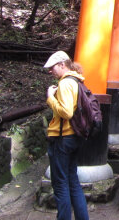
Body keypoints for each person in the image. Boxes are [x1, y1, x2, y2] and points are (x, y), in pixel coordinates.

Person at [44, 51, 89, 220]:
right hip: (75, 136)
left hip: (63, 138)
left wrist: (50, 98)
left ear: (62, 65)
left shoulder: (65, 84)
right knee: (73, 182)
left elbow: (66, 112)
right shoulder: (77, 81)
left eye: (52, 68)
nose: (51, 72)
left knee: (60, 184)